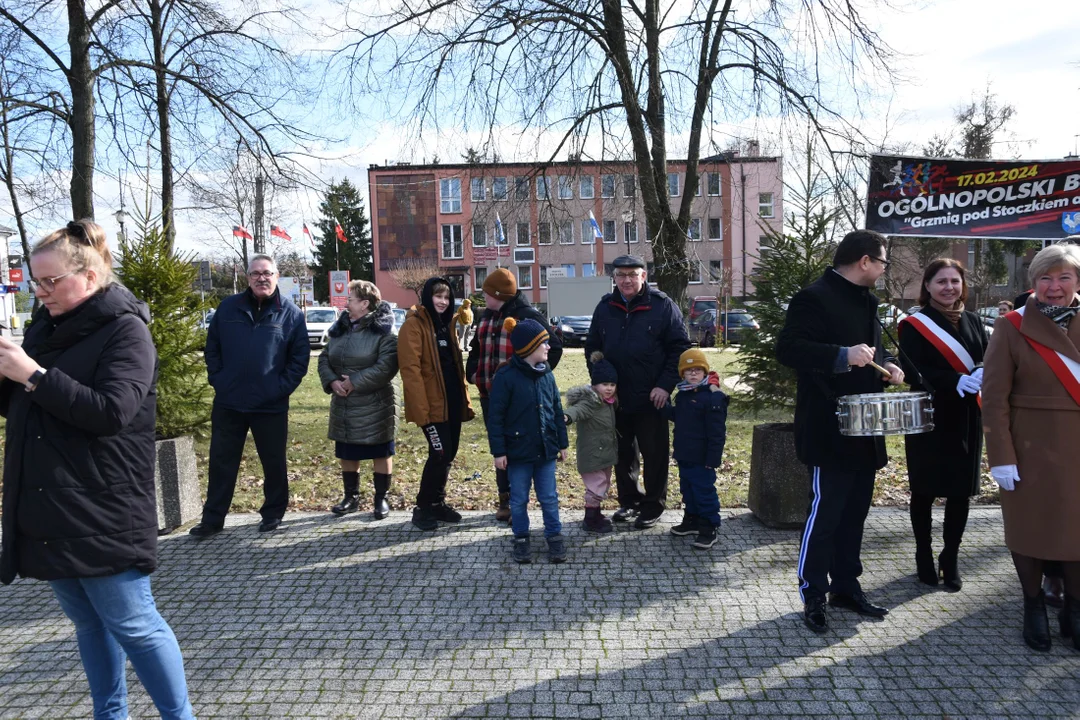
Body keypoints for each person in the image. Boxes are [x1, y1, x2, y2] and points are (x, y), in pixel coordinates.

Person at [0, 220, 194, 719]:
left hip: (105, 506)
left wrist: (34, 375)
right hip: (54, 505)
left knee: (136, 624)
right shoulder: (48, 328)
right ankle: (110, 715)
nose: (40, 293)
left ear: (88, 276)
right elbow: (26, 406)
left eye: (50, 282)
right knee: (88, 624)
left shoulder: (126, 330)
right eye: (34, 284)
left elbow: (110, 411)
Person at [775, 229, 905, 634]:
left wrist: (889, 367)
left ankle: (846, 587)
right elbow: (788, 348)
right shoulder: (814, 297)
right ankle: (813, 591)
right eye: (883, 262)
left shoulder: (868, 300)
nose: (884, 270)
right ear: (865, 260)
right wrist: (841, 356)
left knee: (855, 514)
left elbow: (869, 354)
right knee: (826, 513)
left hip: (866, 425)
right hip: (828, 426)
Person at [982, 242, 1080, 652]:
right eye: (1045, 278)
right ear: (1032, 282)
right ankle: (1033, 604)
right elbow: (995, 396)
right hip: (1029, 449)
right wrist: (1001, 457)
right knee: (1029, 531)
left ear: (1077, 280)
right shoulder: (1012, 325)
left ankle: (1074, 608)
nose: (1054, 287)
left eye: (1064, 277)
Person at [190, 254, 310, 536]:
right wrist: (219, 380)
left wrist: (278, 389)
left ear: (276, 276)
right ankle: (213, 519)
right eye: (256, 273)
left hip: (270, 403)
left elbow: (299, 359)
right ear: (247, 278)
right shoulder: (228, 308)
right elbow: (212, 348)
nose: (261, 278)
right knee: (221, 462)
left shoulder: (291, 313)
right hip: (230, 402)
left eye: (267, 273)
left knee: (273, 461)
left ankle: (273, 513)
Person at [898, 259, 988, 592]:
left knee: (960, 492)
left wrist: (980, 371)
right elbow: (912, 370)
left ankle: (950, 557)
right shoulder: (915, 324)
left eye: (954, 281)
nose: (949, 287)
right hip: (929, 415)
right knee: (924, 490)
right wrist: (953, 380)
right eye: (941, 281)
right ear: (928, 286)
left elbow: (985, 357)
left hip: (966, 416)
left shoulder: (975, 321)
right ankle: (923, 553)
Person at [584, 255, 691, 529]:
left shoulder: (662, 306)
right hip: (615, 399)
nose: (627, 280)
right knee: (622, 453)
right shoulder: (605, 307)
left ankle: (653, 505)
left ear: (644, 276)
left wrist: (664, 386)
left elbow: (680, 348)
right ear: (614, 278)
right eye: (621, 275)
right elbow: (593, 348)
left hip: (651, 396)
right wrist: (600, 383)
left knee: (654, 454)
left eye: (633, 274)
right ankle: (629, 501)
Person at [466, 267, 562, 522]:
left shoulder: (527, 316)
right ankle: (505, 501)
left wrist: (536, 376)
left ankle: (520, 503)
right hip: (489, 396)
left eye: (487, 293)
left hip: (521, 400)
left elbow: (553, 348)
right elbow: (475, 349)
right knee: (500, 448)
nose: (483, 297)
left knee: (521, 449)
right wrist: (472, 373)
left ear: (500, 295)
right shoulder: (486, 316)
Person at [487, 318, 569, 564]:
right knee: (519, 498)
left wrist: (562, 443)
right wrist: (499, 451)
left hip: (545, 451)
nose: (548, 347)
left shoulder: (547, 375)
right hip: (518, 453)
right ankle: (521, 537)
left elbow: (556, 410)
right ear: (529, 348)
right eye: (544, 343)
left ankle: (554, 536)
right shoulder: (506, 377)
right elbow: (496, 418)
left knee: (549, 497)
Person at [398, 277, 475, 530]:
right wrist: (422, 411)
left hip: (451, 403)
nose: (442, 301)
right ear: (427, 297)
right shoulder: (414, 325)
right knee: (440, 453)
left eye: (446, 297)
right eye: (437, 296)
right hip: (431, 407)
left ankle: (437, 503)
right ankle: (422, 508)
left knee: (449, 453)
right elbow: (411, 370)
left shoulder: (447, 324)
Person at [318, 280, 399, 519]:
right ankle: (350, 497)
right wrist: (333, 381)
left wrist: (354, 381)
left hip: (376, 405)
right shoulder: (339, 328)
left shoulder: (384, 330)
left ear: (365, 304)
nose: (346, 303)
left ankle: (380, 498)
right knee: (347, 452)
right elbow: (323, 358)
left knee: (380, 452)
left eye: (350, 299)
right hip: (344, 403)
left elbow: (387, 366)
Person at [665, 349, 729, 550]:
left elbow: (717, 432)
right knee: (688, 490)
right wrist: (663, 408)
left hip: (703, 458)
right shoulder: (683, 394)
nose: (693, 374)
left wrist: (713, 458)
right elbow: (680, 417)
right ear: (682, 373)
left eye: (697, 370)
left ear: (705, 373)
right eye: (688, 370)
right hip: (685, 454)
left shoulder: (713, 398)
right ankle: (691, 520)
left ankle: (709, 527)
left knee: (704, 493)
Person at [564, 351, 619, 534]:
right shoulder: (591, 402)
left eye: (612, 384)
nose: (609, 388)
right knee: (596, 486)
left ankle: (595, 513)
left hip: (604, 453)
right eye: (605, 384)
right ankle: (590, 519)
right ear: (595, 385)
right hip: (592, 453)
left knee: (603, 484)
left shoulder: (609, 401)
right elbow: (577, 410)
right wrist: (566, 417)